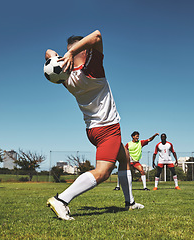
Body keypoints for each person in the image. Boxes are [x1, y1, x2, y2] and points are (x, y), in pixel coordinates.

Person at [45, 30, 144, 220]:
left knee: (125, 159)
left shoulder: (65, 78)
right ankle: (62, 200)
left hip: (92, 130)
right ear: (82, 51)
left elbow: (48, 52)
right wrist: (73, 52)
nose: (90, 50)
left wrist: (61, 56)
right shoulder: (91, 69)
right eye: (86, 48)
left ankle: (130, 203)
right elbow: (97, 35)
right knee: (103, 173)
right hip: (108, 129)